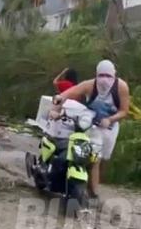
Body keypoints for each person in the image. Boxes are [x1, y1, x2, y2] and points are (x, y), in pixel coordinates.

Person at [53, 60, 130, 202]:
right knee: (95, 158)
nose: (104, 79)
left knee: (104, 159)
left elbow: (124, 111)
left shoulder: (121, 87)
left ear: (114, 75)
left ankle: (94, 184)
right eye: (101, 75)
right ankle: (93, 192)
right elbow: (71, 92)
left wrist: (111, 119)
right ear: (96, 75)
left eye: (108, 75)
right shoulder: (90, 85)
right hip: (92, 124)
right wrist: (60, 98)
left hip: (110, 126)